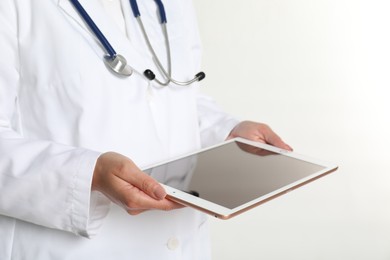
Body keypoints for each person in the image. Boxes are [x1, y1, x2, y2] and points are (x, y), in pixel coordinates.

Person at [0, 0, 292, 259]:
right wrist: (88, 174)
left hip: (182, 241)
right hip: (73, 248)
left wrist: (225, 131)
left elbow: (172, 93)